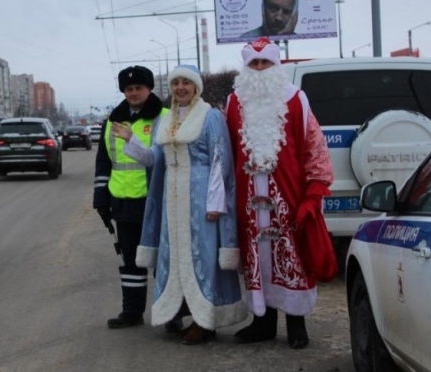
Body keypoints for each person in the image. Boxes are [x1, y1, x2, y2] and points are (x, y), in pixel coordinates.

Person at [119, 65, 248, 345]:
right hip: (172, 202)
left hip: (201, 200)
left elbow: (221, 162)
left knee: (202, 257)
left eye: (186, 83)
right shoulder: (167, 121)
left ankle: (206, 320)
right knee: (175, 257)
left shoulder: (210, 116)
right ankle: (178, 312)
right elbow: (156, 159)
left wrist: (217, 202)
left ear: (196, 87)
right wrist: (132, 142)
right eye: (175, 82)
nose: (180, 87)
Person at [224, 37, 334, 349]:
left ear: (276, 65)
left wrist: (313, 195)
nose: (259, 69)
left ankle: (296, 324)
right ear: (245, 67)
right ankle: (263, 322)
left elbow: (315, 146)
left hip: (288, 196)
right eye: (253, 64)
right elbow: (227, 152)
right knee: (257, 258)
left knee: (292, 257)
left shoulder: (296, 100)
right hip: (249, 201)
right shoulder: (234, 102)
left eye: (265, 63)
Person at [93, 65, 169, 329]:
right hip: (123, 203)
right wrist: (100, 198)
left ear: (149, 89)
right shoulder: (113, 122)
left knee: (162, 260)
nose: (134, 92)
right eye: (128, 89)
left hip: (156, 202)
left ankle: (170, 314)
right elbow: (104, 163)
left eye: (139, 88)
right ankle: (132, 312)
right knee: (129, 261)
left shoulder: (165, 117)